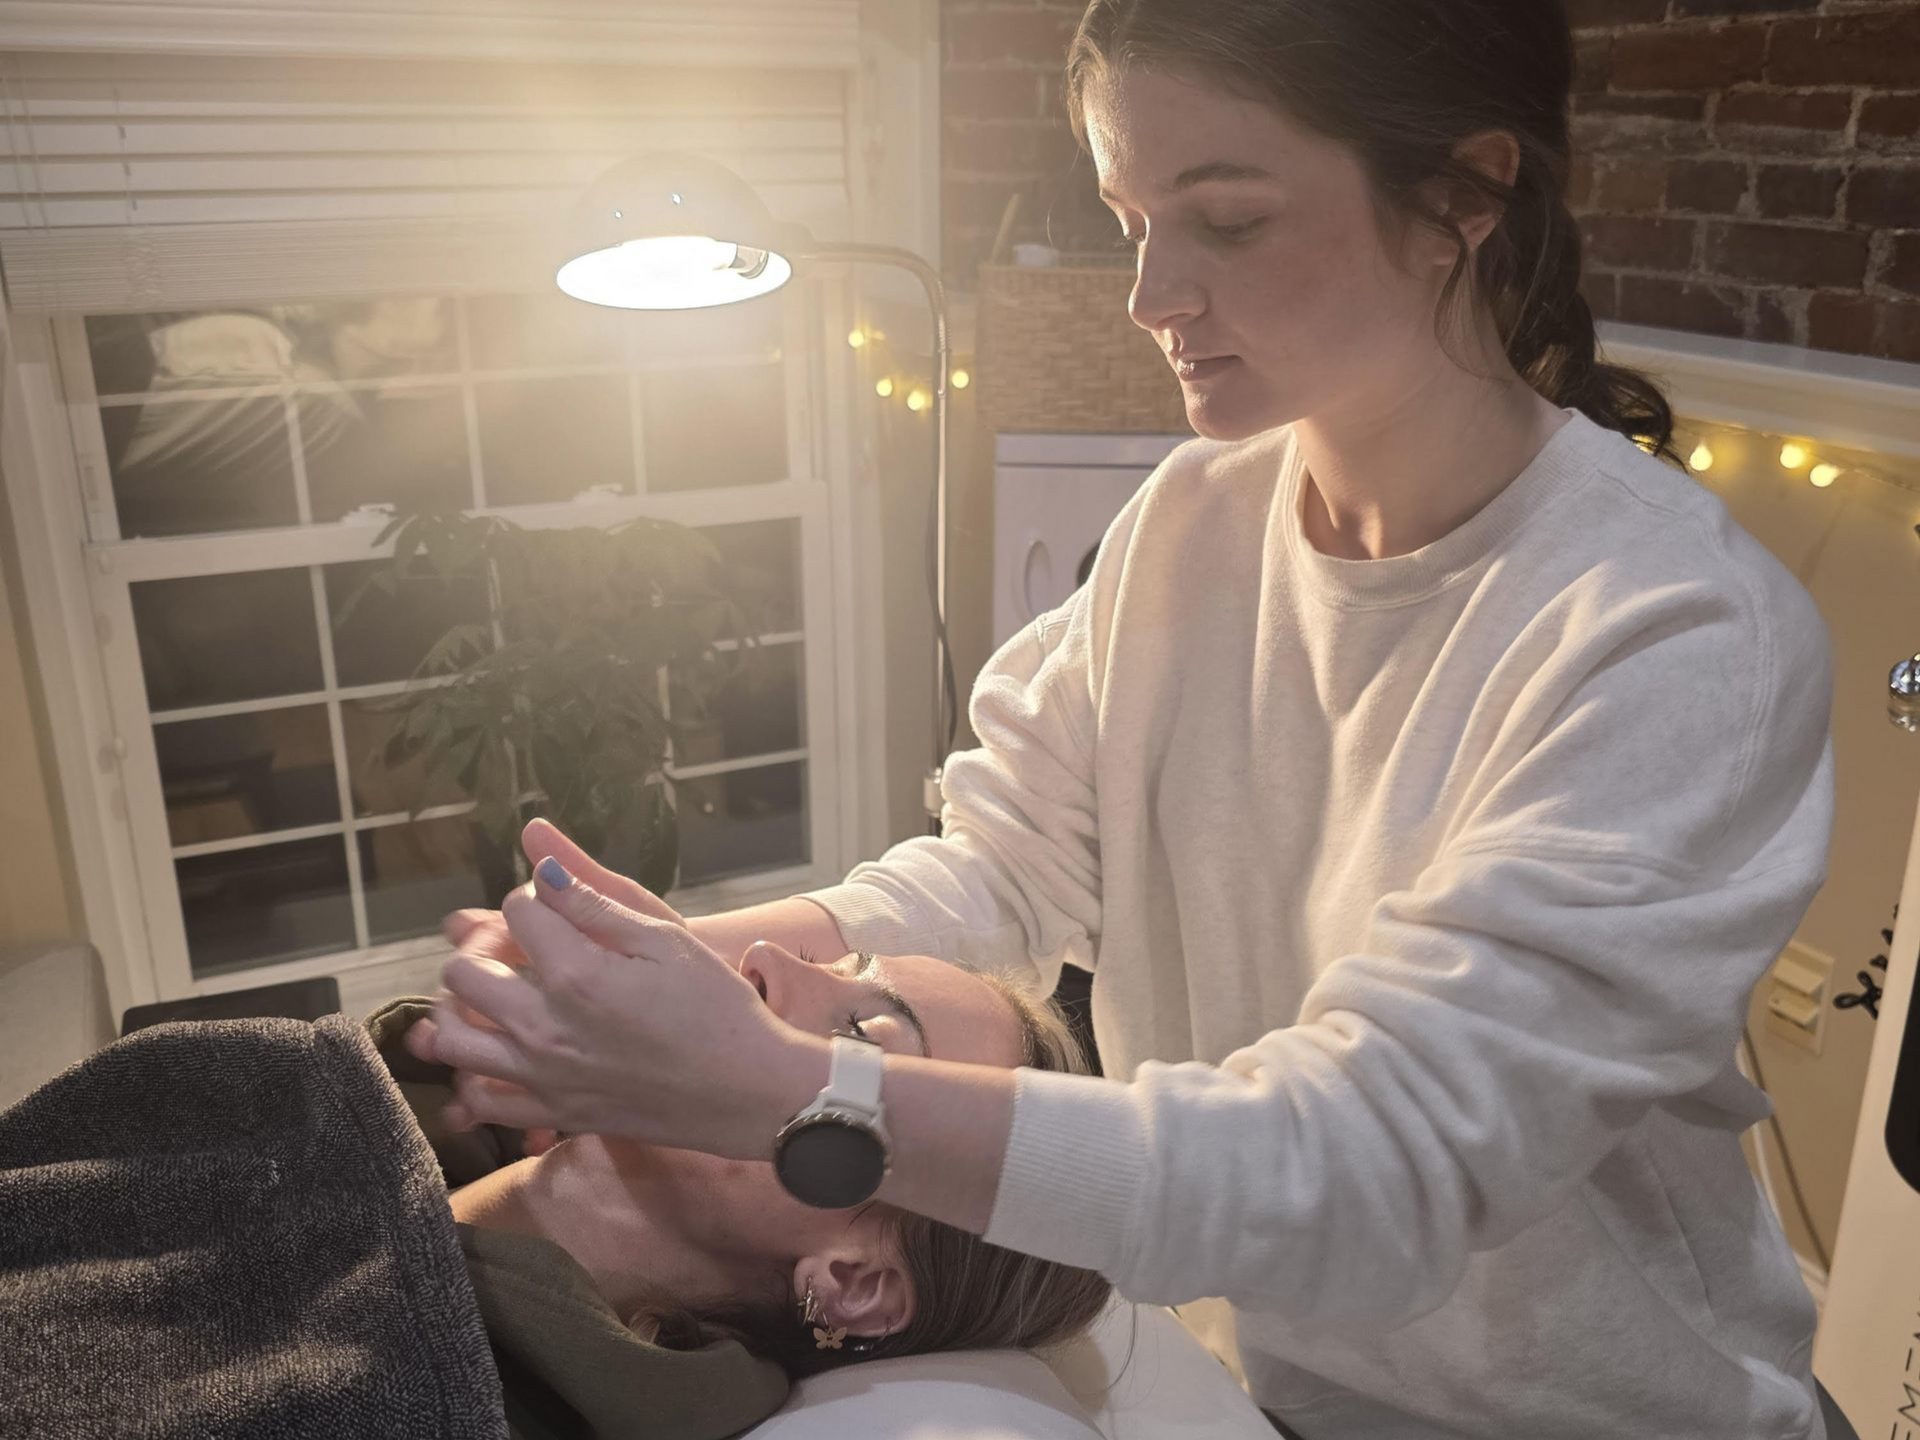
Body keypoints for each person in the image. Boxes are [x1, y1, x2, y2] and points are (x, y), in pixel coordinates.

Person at [414, 0, 1839, 1435]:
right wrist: (696, 958)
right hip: (1278, 1384)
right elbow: (1007, 870)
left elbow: (1378, 1161)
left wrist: (798, 1097)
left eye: (1225, 222)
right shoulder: (1192, 524)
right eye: (1128, 216)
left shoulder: (1672, 635)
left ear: (1463, 194)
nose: (1152, 294)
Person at [0, 911, 1110, 1440]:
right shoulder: (297, 1088)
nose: (769, 958)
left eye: (865, 1034)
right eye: (838, 964)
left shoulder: (439, 1410)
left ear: (854, 1276)